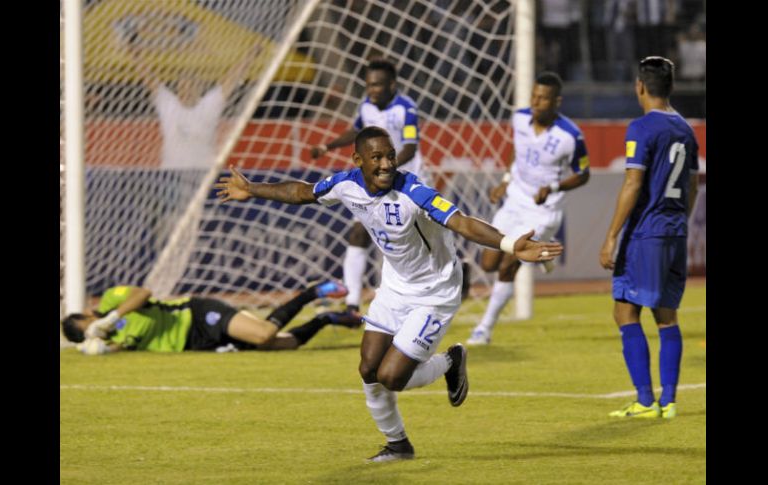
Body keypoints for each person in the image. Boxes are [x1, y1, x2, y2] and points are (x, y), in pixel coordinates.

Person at [215, 126, 563, 462]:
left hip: (435, 292)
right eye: (377, 157)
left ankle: (449, 361)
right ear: (358, 160)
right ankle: (397, 445)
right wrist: (253, 189)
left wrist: (509, 245)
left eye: (391, 156)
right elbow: (302, 192)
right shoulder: (344, 184)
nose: (386, 164)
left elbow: (462, 222)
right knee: (368, 368)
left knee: (392, 377)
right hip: (395, 287)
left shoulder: (414, 192)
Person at [599, 56, 698, 419]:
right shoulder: (685, 129)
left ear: (639, 86)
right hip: (674, 231)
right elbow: (691, 186)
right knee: (667, 316)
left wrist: (611, 236)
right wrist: (678, 223)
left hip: (647, 233)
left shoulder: (641, 128)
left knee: (625, 310)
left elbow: (633, 181)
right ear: (670, 87)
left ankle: (644, 400)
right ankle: (668, 401)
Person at [467, 71, 590, 346]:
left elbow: (584, 174)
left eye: (543, 98)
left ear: (556, 102)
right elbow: (517, 149)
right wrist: (505, 180)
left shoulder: (571, 136)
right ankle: (544, 252)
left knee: (509, 265)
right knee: (488, 263)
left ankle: (484, 329)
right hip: (514, 199)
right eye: (534, 96)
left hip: (543, 209)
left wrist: (554, 187)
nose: (536, 102)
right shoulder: (520, 118)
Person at [309, 58, 432, 314]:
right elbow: (356, 132)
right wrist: (327, 146)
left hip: (405, 183)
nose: (372, 90)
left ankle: (444, 277)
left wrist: (389, 167)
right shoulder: (366, 107)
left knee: (420, 242)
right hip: (376, 182)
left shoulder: (406, 108)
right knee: (358, 233)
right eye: (368, 85)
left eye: (377, 85)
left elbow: (410, 146)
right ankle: (352, 303)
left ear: (391, 84)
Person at [61, 280, 359, 355]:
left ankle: (314, 292)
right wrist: (101, 347)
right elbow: (128, 345)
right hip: (196, 342)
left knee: (263, 334)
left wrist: (111, 317)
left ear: (88, 314)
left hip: (196, 314)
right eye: (88, 332)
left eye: (87, 323)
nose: (94, 328)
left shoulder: (113, 300)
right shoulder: (112, 339)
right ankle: (326, 320)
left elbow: (144, 293)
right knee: (286, 344)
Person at [126, 34, 260, 169]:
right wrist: (135, 56)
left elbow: (230, 80)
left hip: (203, 175)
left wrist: (250, 56)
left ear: (199, 90)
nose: (186, 90)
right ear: (177, 89)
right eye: (182, 86)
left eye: (191, 86)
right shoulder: (168, 104)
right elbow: (149, 78)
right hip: (171, 174)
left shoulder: (209, 104)